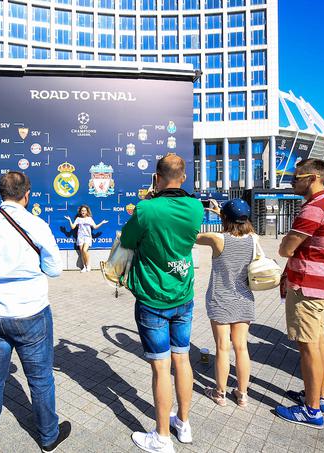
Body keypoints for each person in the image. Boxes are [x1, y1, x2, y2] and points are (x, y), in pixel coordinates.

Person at [0, 171, 70, 453]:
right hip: (31, 313)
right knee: (41, 377)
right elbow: (55, 269)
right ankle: (47, 437)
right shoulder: (36, 224)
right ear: (27, 193)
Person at [120, 154, 204, 453]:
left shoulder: (146, 209)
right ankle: (183, 423)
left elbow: (128, 240)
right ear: (183, 177)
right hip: (183, 295)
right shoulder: (196, 207)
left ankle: (162, 437)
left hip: (153, 297)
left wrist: (151, 197)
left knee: (161, 367)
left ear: (156, 176)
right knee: (182, 359)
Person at [276, 159, 324, 429]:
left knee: (307, 347)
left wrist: (285, 245)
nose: (292, 182)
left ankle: (311, 410)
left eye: (296, 177)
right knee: (318, 342)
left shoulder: (315, 209)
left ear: (313, 177)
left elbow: (286, 248)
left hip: (308, 287)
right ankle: (319, 396)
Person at [196, 198, 256, 408]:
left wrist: (214, 213)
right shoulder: (253, 239)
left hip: (220, 298)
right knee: (241, 347)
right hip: (244, 298)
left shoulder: (217, 238)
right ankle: (242, 395)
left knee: (222, 347)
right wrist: (223, 213)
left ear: (225, 218)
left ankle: (219, 393)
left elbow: (191, 236)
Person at [64, 205, 108, 272]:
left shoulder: (89, 219)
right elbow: (73, 227)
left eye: (84, 210)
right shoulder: (78, 219)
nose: (83, 212)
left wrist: (102, 222)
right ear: (80, 212)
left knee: (84, 250)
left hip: (87, 237)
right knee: (81, 252)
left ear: (87, 211)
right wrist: (69, 220)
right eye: (82, 210)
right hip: (80, 237)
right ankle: (84, 267)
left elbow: (95, 227)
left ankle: (88, 265)